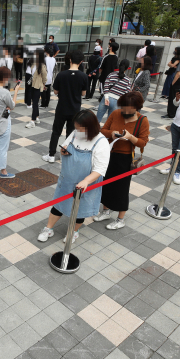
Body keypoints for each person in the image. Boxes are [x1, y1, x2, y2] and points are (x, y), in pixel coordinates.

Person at [37, 110, 110, 244]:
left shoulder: (101, 142)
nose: (77, 131)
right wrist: (63, 151)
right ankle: (48, 228)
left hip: (85, 184)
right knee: (58, 205)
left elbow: (100, 169)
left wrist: (86, 181)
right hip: (67, 179)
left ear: (90, 127)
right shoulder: (75, 133)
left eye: (81, 129)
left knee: (79, 210)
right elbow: (65, 145)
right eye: (76, 128)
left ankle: (73, 232)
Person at [95, 91, 149, 229]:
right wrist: (112, 134)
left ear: (136, 107)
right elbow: (103, 130)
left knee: (121, 189)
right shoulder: (115, 114)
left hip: (125, 158)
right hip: (109, 154)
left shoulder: (142, 120)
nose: (124, 110)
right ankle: (106, 211)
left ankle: (120, 219)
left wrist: (130, 137)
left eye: (127, 108)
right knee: (105, 184)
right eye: (123, 106)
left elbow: (143, 142)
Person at [42, 50, 88, 163]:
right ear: (81, 62)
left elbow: (56, 91)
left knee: (56, 131)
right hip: (75, 110)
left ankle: (51, 155)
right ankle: (66, 154)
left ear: (70, 60)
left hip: (62, 108)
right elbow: (83, 93)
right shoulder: (83, 76)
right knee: (71, 133)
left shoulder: (61, 75)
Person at [0, 67, 20, 178]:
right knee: (3, 148)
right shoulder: (5, 92)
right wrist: (16, 92)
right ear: (5, 78)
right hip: (4, 123)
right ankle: (3, 172)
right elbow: (12, 106)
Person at [26, 49, 47, 128]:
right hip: (32, 85)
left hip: (38, 86)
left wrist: (43, 84)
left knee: (35, 103)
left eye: (36, 54)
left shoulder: (42, 65)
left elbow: (45, 77)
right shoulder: (34, 63)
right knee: (34, 103)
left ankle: (32, 121)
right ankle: (37, 117)